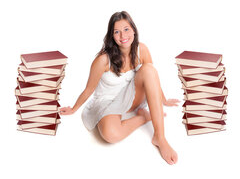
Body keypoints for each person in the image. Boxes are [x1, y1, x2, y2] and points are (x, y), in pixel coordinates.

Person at [60, 11, 179, 165]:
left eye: (126, 29)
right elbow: (89, 89)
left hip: (133, 97)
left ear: (134, 30)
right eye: (117, 31)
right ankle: (144, 117)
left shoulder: (141, 50)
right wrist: (74, 109)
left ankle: (160, 137)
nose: (123, 35)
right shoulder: (103, 60)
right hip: (108, 102)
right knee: (111, 135)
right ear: (112, 36)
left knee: (149, 69)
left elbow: (153, 78)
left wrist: (164, 99)